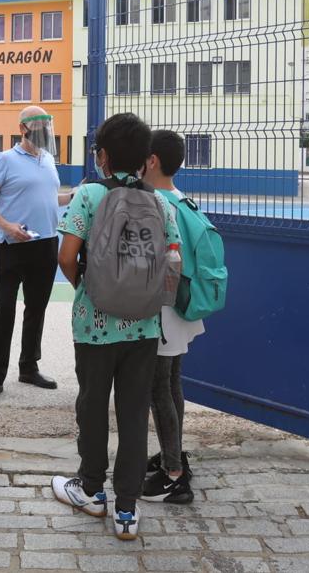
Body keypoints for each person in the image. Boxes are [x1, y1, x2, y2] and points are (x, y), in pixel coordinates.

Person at [49, 113, 180, 541]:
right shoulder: (161, 202)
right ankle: (126, 509)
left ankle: (90, 490)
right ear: (147, 159)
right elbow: (172, 263)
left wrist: (89, 288)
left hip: (94, 326)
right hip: (143, 328)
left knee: (91, 406)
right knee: (133, 412)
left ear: (102, 156)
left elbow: (67, 255)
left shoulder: (88, 195)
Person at [0, 106, 74, 402]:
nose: (45, 129)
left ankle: (29, 367)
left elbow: (48, 198)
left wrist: (72, 196)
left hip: (45, 243)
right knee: (4, 309)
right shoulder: (5, 160)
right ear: (23, 128)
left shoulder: (48, 160)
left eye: (47, 124)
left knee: (36, 308)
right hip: (11, 245)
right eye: (39, 124)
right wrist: (7, 226)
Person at [140, 130, 202, 504]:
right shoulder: (181, 199)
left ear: (151, 161)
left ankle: (174, 476)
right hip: (180, 306)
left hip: (163, 309)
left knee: (157, 390)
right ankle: (173, 455)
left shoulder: (155, 203)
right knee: (172, 383)